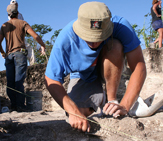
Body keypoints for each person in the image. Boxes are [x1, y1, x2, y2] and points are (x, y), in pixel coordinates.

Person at [45, 1, 146, 132]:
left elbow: (139, 66)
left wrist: (125, 106)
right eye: (89, 37)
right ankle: (100, 99)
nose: (94, 42)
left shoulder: (121, 26)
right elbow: (51, 79)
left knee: (114, 46)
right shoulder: (66, 39)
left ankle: (112, 101)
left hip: (112, 66)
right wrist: (74, 111)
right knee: (78, 113)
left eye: (99, 37)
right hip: (84, 77)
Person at [0, 4, 46, 112]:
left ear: (8, 14)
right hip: (20, 54)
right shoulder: (23, 23)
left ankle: (13, 106)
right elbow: (35, 36)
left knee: (10, 83)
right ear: (17, 12)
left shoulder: (4, 26)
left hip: (9, 56)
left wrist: (3, 53)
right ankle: (20, 106)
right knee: (19, 81)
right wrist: (42, 45)